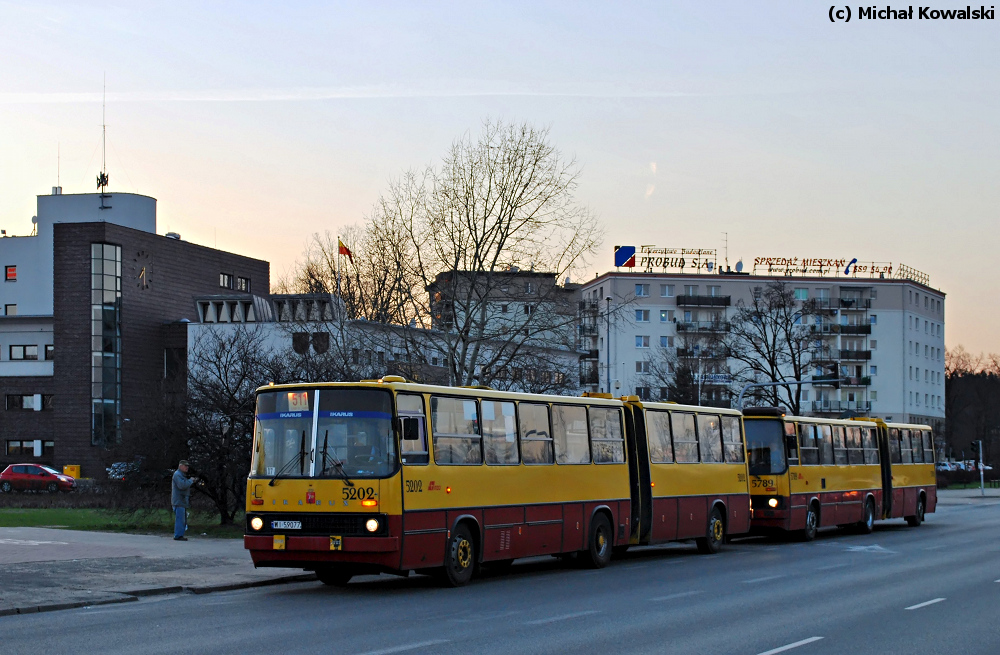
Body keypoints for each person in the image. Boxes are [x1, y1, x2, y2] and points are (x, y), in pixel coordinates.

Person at [171, 460, 198, 541]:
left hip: (181, 501)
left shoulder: (181, 475)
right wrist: (190, 480)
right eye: (185, 466)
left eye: (187, 466)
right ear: (180, 466)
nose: (187, 467)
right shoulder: (177, 475)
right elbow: (182, 486)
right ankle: (178, 535)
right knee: (180, 519)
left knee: (182, 519)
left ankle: (180, 534)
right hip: (178, 501)